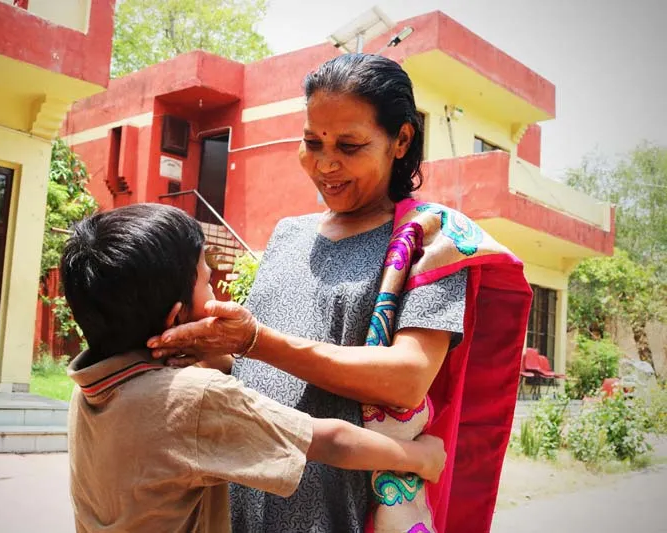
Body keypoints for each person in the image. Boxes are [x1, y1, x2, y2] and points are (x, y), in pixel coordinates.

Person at [148, 54, 533, 533]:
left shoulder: (428, 242)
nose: (325, 163)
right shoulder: (288, 235)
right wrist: (207, 351)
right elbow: (263, 373)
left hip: (343, 510)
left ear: (401, 140)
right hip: (245, 504)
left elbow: (407, 378)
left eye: (350, 145)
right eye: (312, 142)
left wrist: (252, 341)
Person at [60, 203, 447, 533]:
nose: (216, 293)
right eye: (208, 282)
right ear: (176, 318)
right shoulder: (192, 398)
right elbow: (330, 441)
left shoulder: (88, 392)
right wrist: (419, 458)